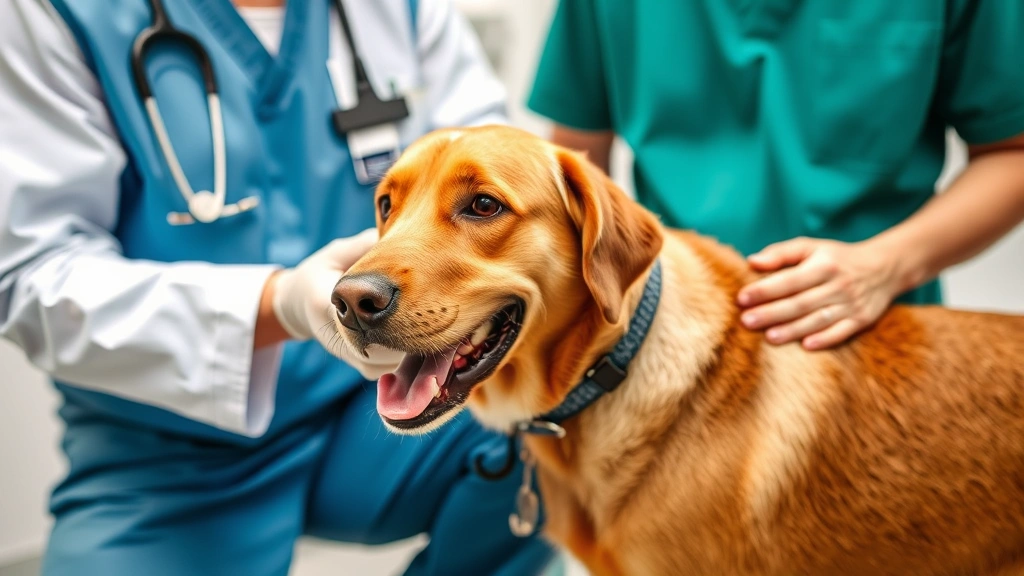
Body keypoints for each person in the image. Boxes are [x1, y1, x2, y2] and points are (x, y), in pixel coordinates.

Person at [0, 0, 559, 574]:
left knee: (558, 420)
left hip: (366, 405)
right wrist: (280, 304)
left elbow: (499, 173)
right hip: (162, 454)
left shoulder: (401, 10)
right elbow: (31, 275)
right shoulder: (59, 13)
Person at [527, 0, 1024, 350]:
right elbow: (573, 171)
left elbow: (1012, 151)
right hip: (666, 334)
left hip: (874, 341)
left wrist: (884, 266)